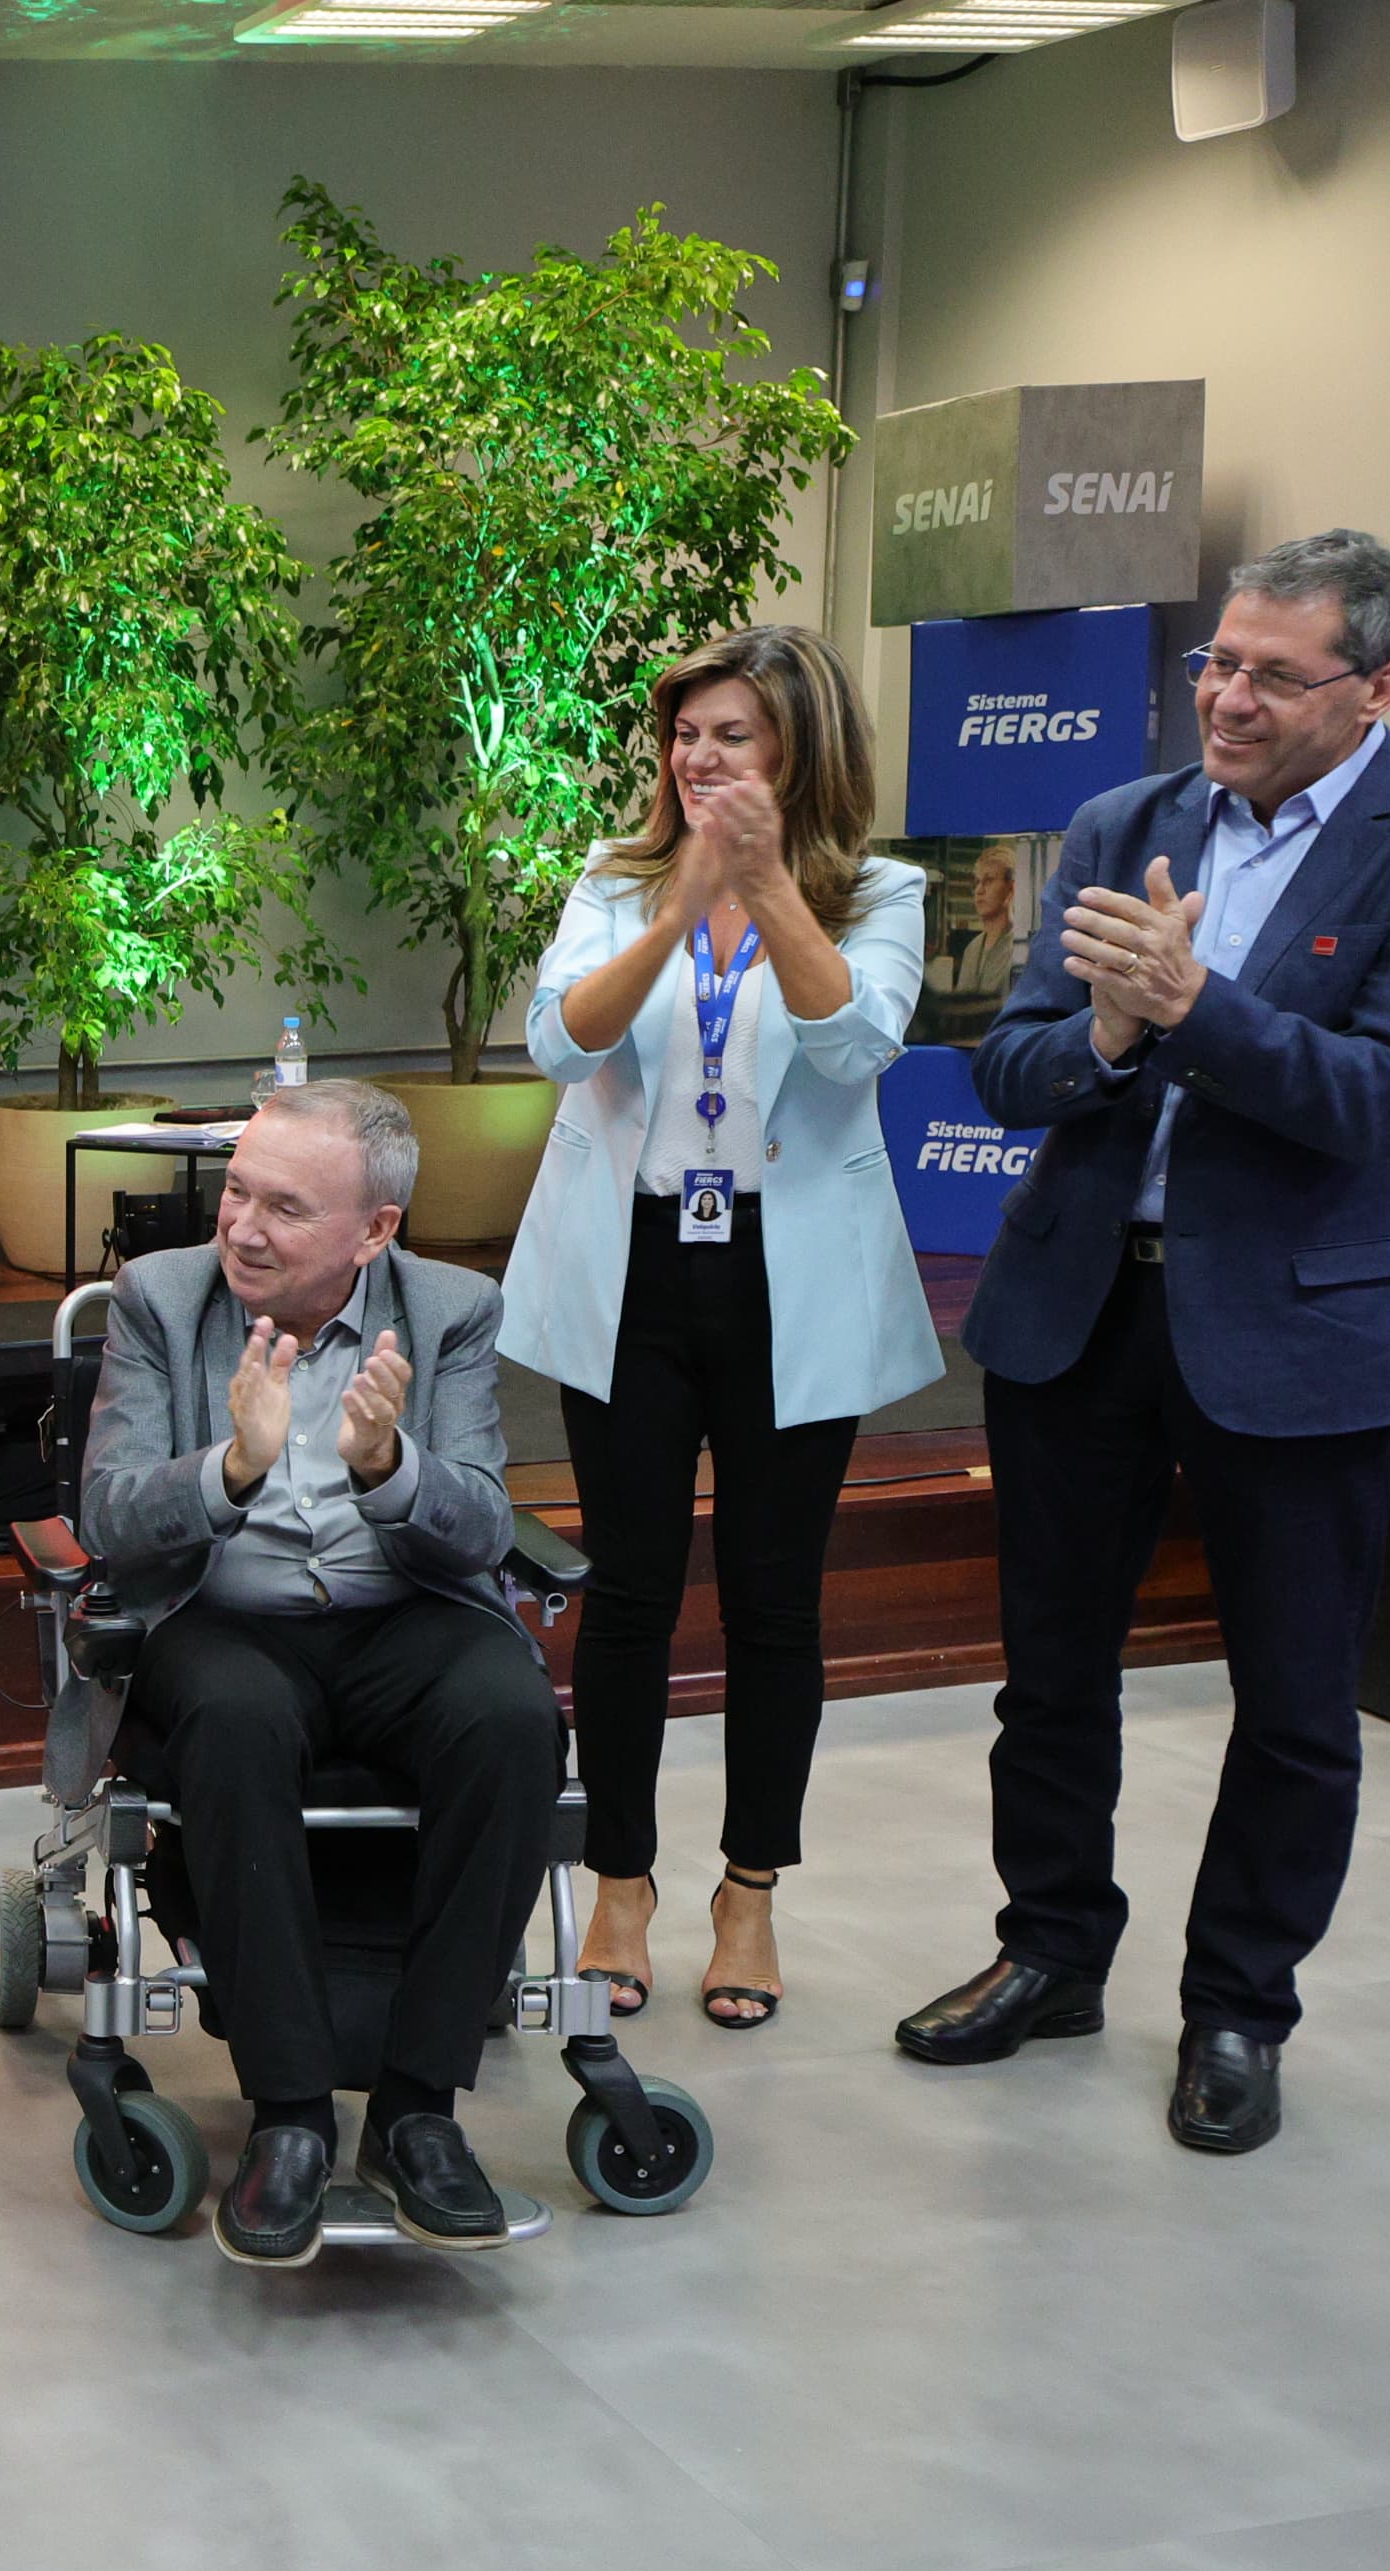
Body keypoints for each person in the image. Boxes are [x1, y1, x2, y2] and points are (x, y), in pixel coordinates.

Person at [902, 528, 1390, 2157]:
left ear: (1379, 687)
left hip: (1299, 1335)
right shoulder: (1126, 820)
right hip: (1081, 1307)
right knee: (1052, 1672)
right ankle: (1051, 1950)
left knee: (1296, 1704)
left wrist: (1197, 1010)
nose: (1229, 698)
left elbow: (1377, 1102)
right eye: (1216, 662)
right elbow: (1010, 1068)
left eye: (1274, 674)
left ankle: (1239, 2008)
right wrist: (1108, 1037)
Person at [507, 625, 936, 2033]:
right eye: (684, 735)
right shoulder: (614, 876)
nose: (698, 758)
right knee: (628, 1590)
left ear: (798, 750)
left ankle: (748, 1892)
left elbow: (856, 1044)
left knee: (772, 1598)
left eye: (730, 735)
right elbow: (558, 1044)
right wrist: (675, 909)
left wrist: (759, 889)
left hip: (787, 1275)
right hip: (631, 1268)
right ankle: (619, 1881)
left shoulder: (880, 893)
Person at [76, 1082, 565, 2268]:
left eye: (284, 1207)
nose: (240, 1227)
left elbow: (481, 1526)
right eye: (236, 1191)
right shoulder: (160, 1298)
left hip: (401, 1615)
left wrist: (390, 1467)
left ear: (373, 1229)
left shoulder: (448, 1310)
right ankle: (288, 2115)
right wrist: (230, 1468)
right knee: (235, 1719)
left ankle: (415, 2111)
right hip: (221, 1618)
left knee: (511, 1717)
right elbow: (108, 1515)